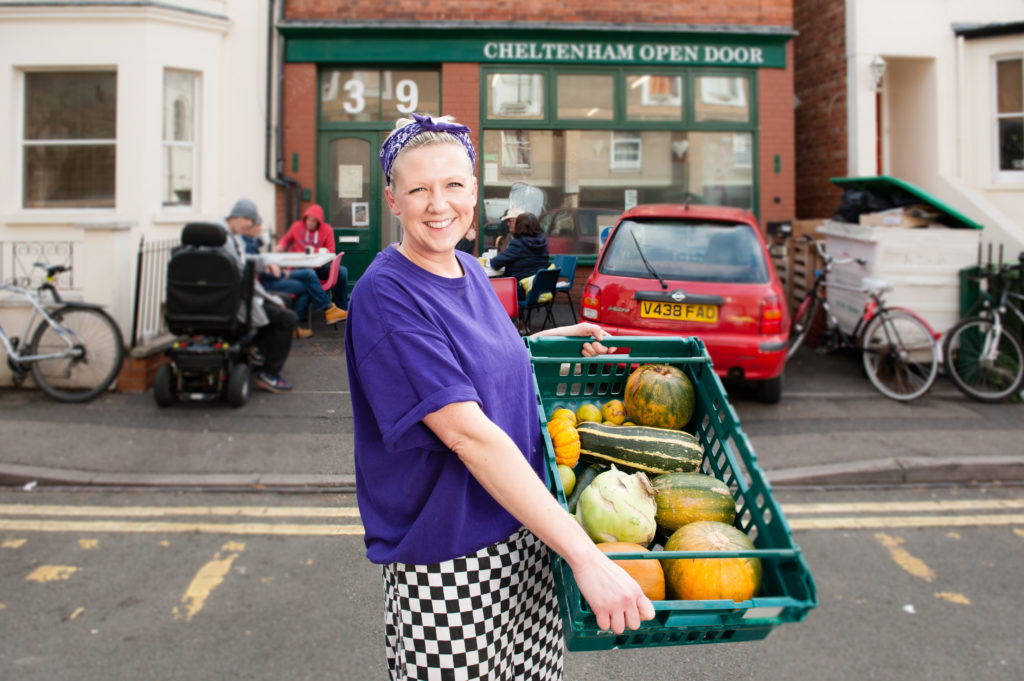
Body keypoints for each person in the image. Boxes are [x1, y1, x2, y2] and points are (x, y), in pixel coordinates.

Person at [345, 113, 653, 680]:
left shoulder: (465, 267)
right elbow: (468, 432)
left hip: (527, 532)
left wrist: (550, 339)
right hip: (452, 561)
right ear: (392, 200)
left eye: (454, 185)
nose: (439, 204)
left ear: (474, 192)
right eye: (419, 189)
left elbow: (483, 358)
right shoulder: (385, 297)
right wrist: (585, 556)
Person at [220, 198, 297, 392]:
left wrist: (265, 260)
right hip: (236, 302)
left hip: (230, 297)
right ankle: (269, 373)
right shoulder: (226, 239)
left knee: (285, 300)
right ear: (238, 217)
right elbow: (244, 274)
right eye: (249, 220)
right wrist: (272, 300)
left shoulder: (230, 236)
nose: (251, 225)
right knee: (287, 317)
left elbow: (245, 262)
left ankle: (258, 349)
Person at [240, 232, 342, 340]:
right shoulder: (248, 245)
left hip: (274, 275)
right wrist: (282, 272)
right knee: (307, 279)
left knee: (308, 277)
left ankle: (325, 309)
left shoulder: (250, 242)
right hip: (268, 281)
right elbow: (259, 273)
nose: (260, 228)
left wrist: (271, 265)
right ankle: (326, 309)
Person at [277, 204, 350, 320]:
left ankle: (341, 308)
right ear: (305, 218)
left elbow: (331, 251)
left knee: (342, 272)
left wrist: (314, 251)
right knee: (307, 274)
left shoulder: (327, 230)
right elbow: (286, 239)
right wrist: (280, 245)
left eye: (314, 221)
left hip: (320, 267)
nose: (310, 223)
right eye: (308, 220)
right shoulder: (296, 227)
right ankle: (321, 309)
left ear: (319, 222)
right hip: (300, 267)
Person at [490, 211, 550, 296]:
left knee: (485, 288)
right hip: (537, 289)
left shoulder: (519, 244)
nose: (508, 224)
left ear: (519, 226)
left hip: (518, 288)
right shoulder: (543, 243)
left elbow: (495, 263)